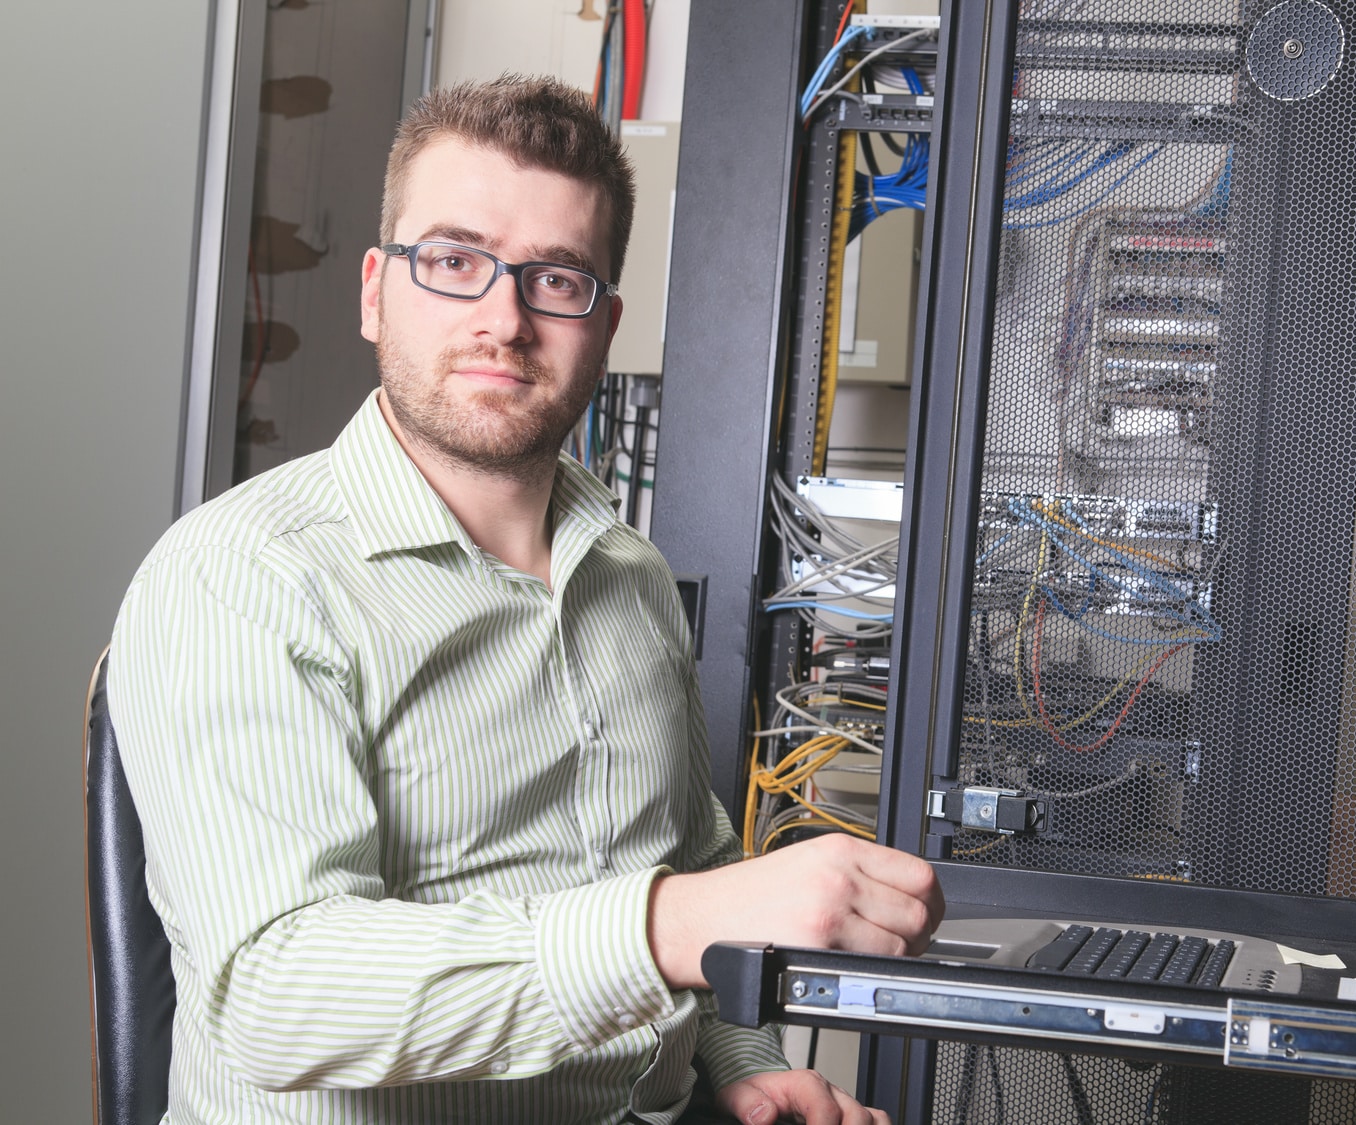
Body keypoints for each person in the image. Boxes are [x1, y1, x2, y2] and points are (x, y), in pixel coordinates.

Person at [107, 74, 942, 1125]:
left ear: (603, 321)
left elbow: (693, 860)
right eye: (452, 262)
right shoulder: (242, 577)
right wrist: (661, 928)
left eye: (556, 279)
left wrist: (740, 1058)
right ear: (374, 291)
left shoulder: (628, 576)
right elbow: (279, 994)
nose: (502, 319)